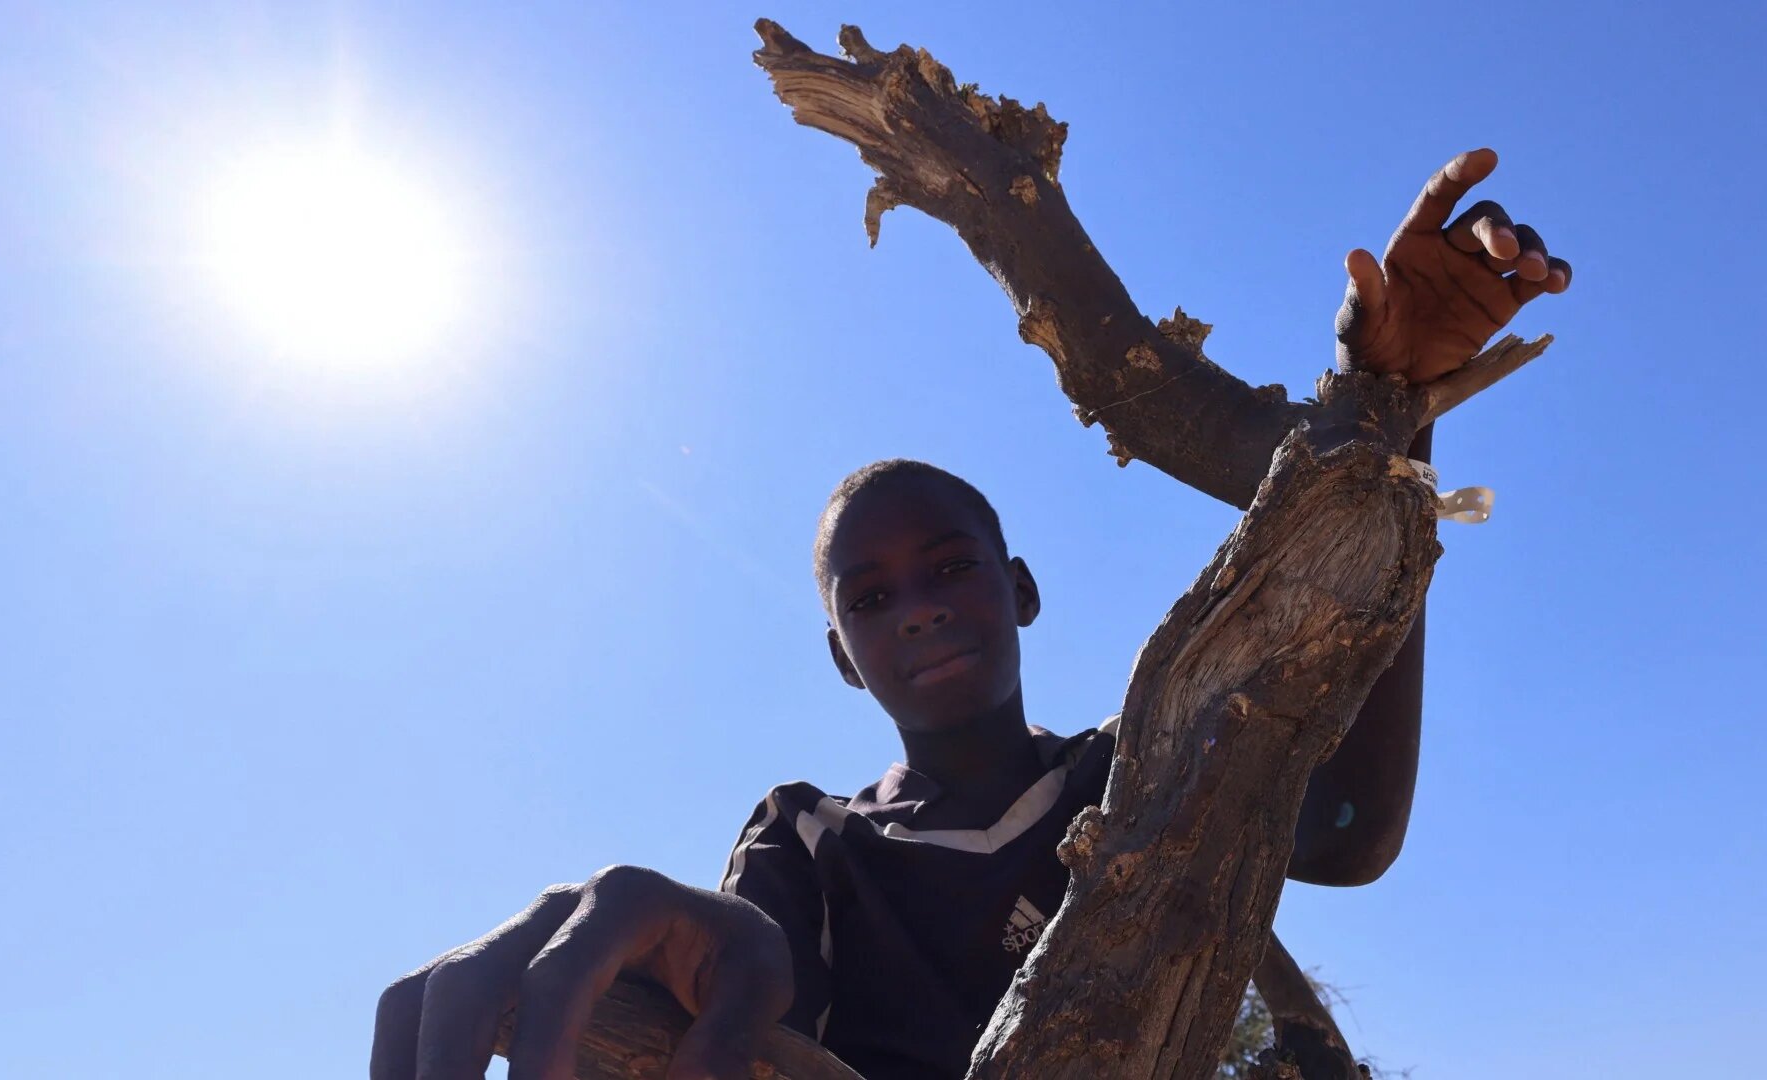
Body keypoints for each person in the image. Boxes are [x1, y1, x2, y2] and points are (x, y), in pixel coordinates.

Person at [369, 149, 1571, 1080]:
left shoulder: (1135, 773)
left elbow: (1344, 828)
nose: (921, 610)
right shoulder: (814, 843)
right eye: (874, 596)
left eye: (950, 569)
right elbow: (746, 973)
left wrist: (1390, 421)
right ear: (843, 657)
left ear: (1022, 590)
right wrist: (644, 967)